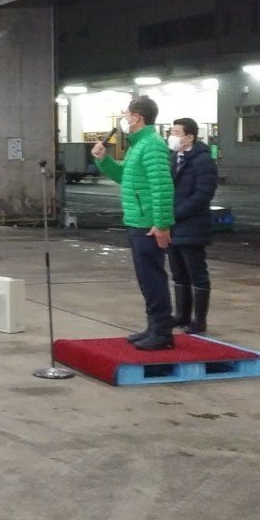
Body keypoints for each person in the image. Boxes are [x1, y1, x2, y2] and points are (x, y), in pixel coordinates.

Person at [92, 96, 175, 350]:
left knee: (153, 278)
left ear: (137, 116)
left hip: (148, 224)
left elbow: (162, 186)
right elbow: (124, 176)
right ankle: (154, 326)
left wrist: (162, 224)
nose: (124, 118)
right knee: (146, 278)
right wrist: (103, 159)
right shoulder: (138, 145)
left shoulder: (152, 145)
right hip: (137, 220)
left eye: (127, 114)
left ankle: (162, 332)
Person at [167, 117, 218, 335]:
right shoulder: (174, 158)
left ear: (189, 137)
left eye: (176, 133)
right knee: (178, 272)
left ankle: (199, 320)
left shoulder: (203, 161)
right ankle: (182, 315)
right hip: (172, 226)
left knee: (197, 273)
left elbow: (203, 195)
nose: (172, 136)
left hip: (191, 225)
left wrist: (175, 214)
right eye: (171, 132)